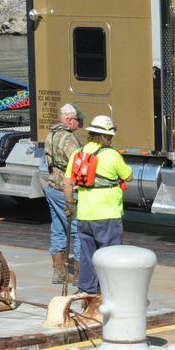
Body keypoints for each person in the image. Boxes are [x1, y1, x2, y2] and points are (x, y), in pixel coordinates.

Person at [63, 114, 132, 298]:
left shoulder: (78, 153)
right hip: (107, 214)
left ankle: (87, 291)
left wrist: (70, 204)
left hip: (85, 215)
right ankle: (109, 292)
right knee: (110, 256)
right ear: (105, 136)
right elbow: (128, 177)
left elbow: (67, 183)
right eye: (109, 136)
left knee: (87, 255)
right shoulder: (111, 155)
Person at [44, 103, 83, 284]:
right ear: (69, 120)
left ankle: (58, 272)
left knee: (58, 229)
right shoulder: (69, 139)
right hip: (67, 190)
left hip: (52, 187)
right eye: (77, 120)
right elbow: (78, 166)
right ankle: (79, 274)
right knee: (78, 230)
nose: (79, 124)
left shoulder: (50, 135)